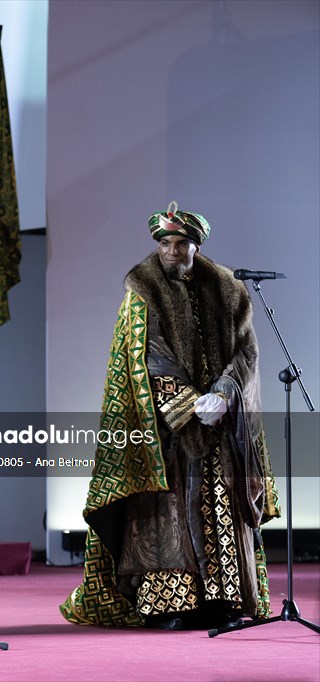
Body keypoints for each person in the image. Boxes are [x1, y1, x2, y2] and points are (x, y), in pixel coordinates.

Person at [60, 202, 279, 630]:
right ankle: (170, 604)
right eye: (165, 243)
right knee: (168, 514)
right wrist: (188, 404)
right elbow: (144, 358)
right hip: (164, 430)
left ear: (197, 246)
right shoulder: (142, 291)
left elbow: (246, 351)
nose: (172, 251)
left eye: (181, 243)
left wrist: (223, 394)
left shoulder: (229, 289)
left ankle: (225, 601)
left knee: (221, 507)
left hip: (221, 427)